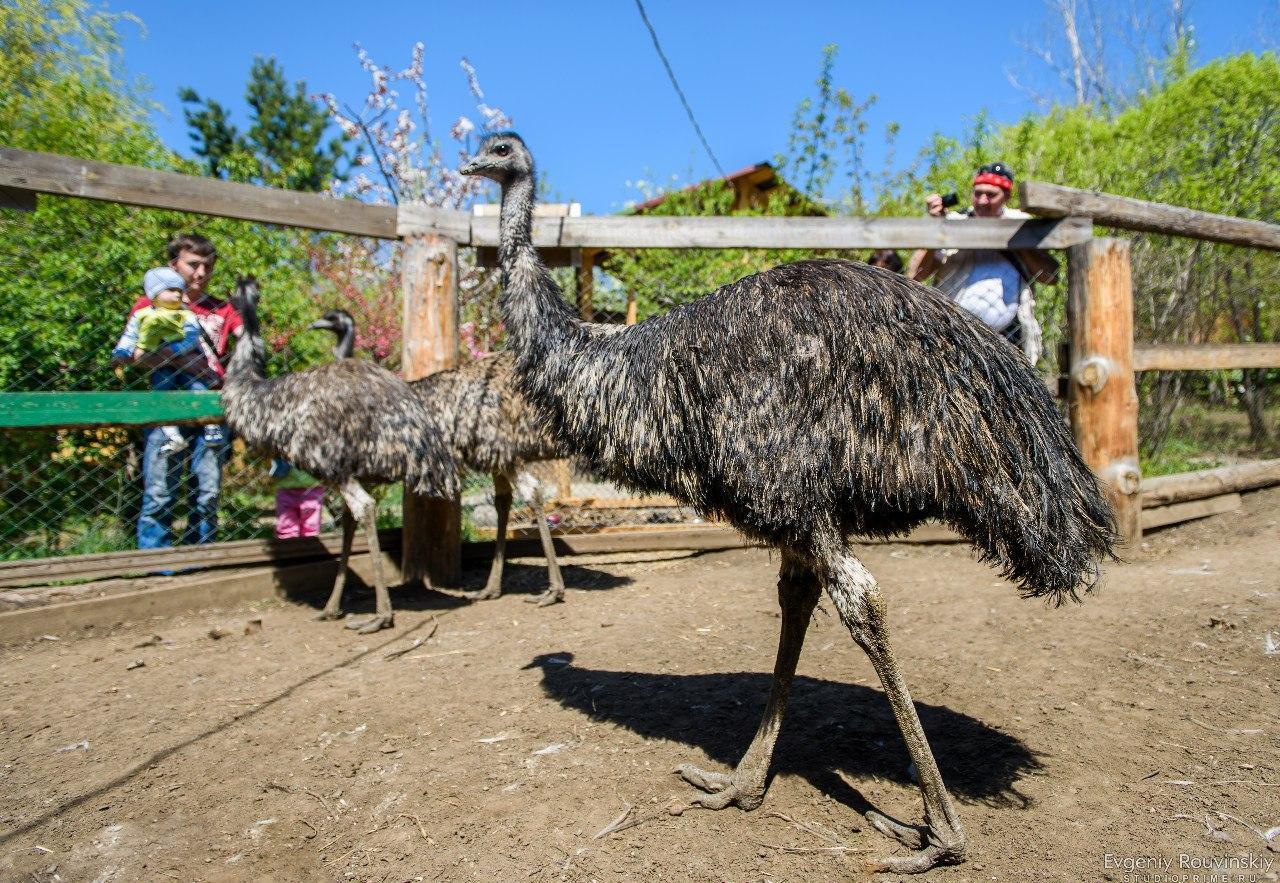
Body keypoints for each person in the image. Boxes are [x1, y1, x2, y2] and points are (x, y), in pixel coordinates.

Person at [124, 233, 243, 550]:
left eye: (208, 266)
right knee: (160, 490)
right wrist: (176, 357)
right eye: (193, 265)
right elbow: (135, 357)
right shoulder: (150, 306)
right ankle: (155, 562)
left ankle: (201, 559)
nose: (201, 274)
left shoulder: (223, 309)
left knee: (207, 491)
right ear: (172, 265)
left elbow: (248, 343)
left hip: (211, 409)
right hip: (166, 408)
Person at [907, 162, 1057, 364]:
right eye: (978, 193)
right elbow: (916, 275)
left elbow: (1050, 276)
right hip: (952, 337)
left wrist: (1014, 238)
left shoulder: (1021, 223)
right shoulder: (953, 222)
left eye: (991, 195)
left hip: (1009, 338)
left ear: (1007, 196)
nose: (983, 201)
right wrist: (937, 228)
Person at [112, 268, 203, 456]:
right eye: (170, 290)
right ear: (154, 294)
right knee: (161, 394)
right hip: (160, 366)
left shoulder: (185, 314)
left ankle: (211, 427)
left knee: (198, 388)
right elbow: (130, 335)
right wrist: (122, 351)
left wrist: (176, 350)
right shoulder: (143, 314)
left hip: (186, 364)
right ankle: (172, 435)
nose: (177, 294)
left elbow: (193, 337)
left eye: (180, 290)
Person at [270, 459, 327, 540]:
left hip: (312, 488)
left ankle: (309, 549)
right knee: (287, 528)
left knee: (310, 528)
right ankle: (288, 549)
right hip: (288, 488)